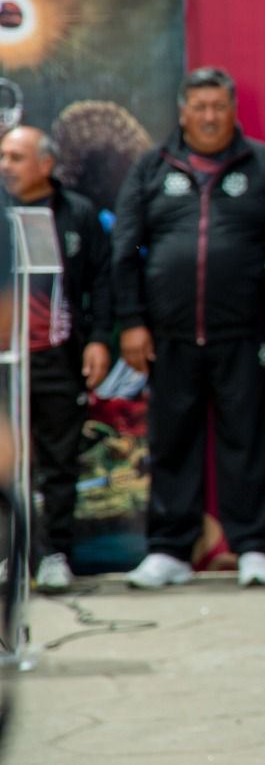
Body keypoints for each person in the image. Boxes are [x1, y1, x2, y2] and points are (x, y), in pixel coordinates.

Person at [112, 67, 265, 590]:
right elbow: (124, 251)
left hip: (244, 335)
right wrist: (130, 324)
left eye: (218, 106)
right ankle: (169, 550)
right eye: (200, 106)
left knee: (247, 442)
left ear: (232, 109)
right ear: (182, 111)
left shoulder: (262, 166)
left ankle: (254, 547)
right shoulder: (152, 167)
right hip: (167, 338)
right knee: (173, 442)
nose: (210, 116)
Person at [0, 126, 113, 593]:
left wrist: (100, 338)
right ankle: (9, 555)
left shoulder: (77, 215)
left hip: (56, 356)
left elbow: (103, 281)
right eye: (2, 156)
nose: (6, 165)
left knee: (59, 460)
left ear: (45, 165)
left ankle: (54, 554)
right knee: (6, 463)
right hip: (5, 359)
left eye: (17, 157)